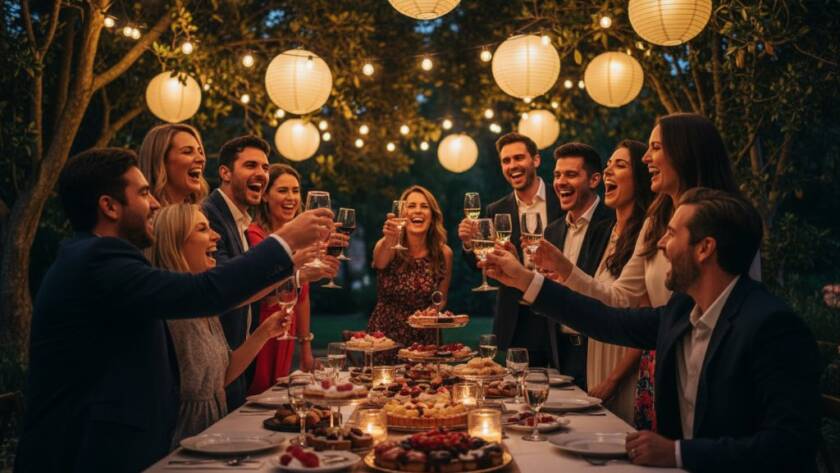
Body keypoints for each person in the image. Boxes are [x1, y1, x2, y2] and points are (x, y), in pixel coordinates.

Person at [15, 148, 335, 473]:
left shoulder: (95, 257)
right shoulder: (97, 261)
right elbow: (202, 292)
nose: (154, 203)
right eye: (142, 193)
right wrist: (283, 241)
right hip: (82, 454)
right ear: (109, 206)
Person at [484, 188, 820, 472]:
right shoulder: (683, 310)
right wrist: (526, 280)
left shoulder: (772, 327)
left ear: (705, 249)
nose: (660, 244)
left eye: (672, 234)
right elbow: (607, 321)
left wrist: (677, 453)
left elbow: (790, 445)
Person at [532, 113, 761, 431]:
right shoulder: (656, 221)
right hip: (666, 364)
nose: (646, 157)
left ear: (685, 152)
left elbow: (739, 303)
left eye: (655, 147)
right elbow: (621, 298)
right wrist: (551, 274)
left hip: (713, 365)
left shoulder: (729, 219)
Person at [150, 204, 329, 447]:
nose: (216, 236)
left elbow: (222, 377)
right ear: (175, 242)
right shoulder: (171, 311)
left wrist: (264, 332)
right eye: (202, 229)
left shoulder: (204, 309)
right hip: (182, 440)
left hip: (213, 434)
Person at [545, 140, 653, 423]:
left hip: (621, 363)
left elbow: (637, 311)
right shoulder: (612, 233)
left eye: (620, 165)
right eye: (608, 166)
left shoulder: (646, 233)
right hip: (596, 351)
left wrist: (614, 379)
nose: (608, 172)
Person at [458, 132, 561, 367]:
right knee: (519, 391)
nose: (512, 166)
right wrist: (469, 244)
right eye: (506, 161)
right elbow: (479, 266)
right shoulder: (496, 209)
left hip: (559, 311)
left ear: (536, 160)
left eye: (518, 158)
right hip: (518, 317)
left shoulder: (561, 199)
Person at [202, 135, 270, 410]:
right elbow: (226, 285)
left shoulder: (239, 219)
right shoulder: (209, 214)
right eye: (251, 165)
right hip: (215, 366)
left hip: (237, 362)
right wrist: (292, 258)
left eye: (265, 168)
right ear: (225, 173)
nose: (261, 174)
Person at [540, 142, 614, 389]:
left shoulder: (613, 223)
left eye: (571, 175)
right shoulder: (553, 230)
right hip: (560, 356)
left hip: (600, 352)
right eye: (557, 175)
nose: (560, 182)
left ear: (594, 180)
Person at [247, 164, 317, 393]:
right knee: (257, 395)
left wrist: (306, 348)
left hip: (287, 329)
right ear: (265, 195)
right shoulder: (255, 235)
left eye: (296, 191)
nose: (291, 198)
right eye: (283, 190)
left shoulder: (300, 240)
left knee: (278, 394)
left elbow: (303, 297)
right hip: (263, 328)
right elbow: (264, 291)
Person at [369, 185, 453, 358]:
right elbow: (379, 262)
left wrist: (432, 311)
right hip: (384, 338)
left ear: (433, 216)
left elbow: (441, 298)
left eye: (424, 206)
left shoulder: (444, 253)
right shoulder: (387, 245)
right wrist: (389, 238)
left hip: (425, 341)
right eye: (411, 206)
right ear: (402, 214)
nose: (418, 211)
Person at [138, 123, 209, 206]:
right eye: (187, 152)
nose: (201, 159)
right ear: (161, 161)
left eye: (200, 152)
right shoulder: (144, 216)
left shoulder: (203, 215)